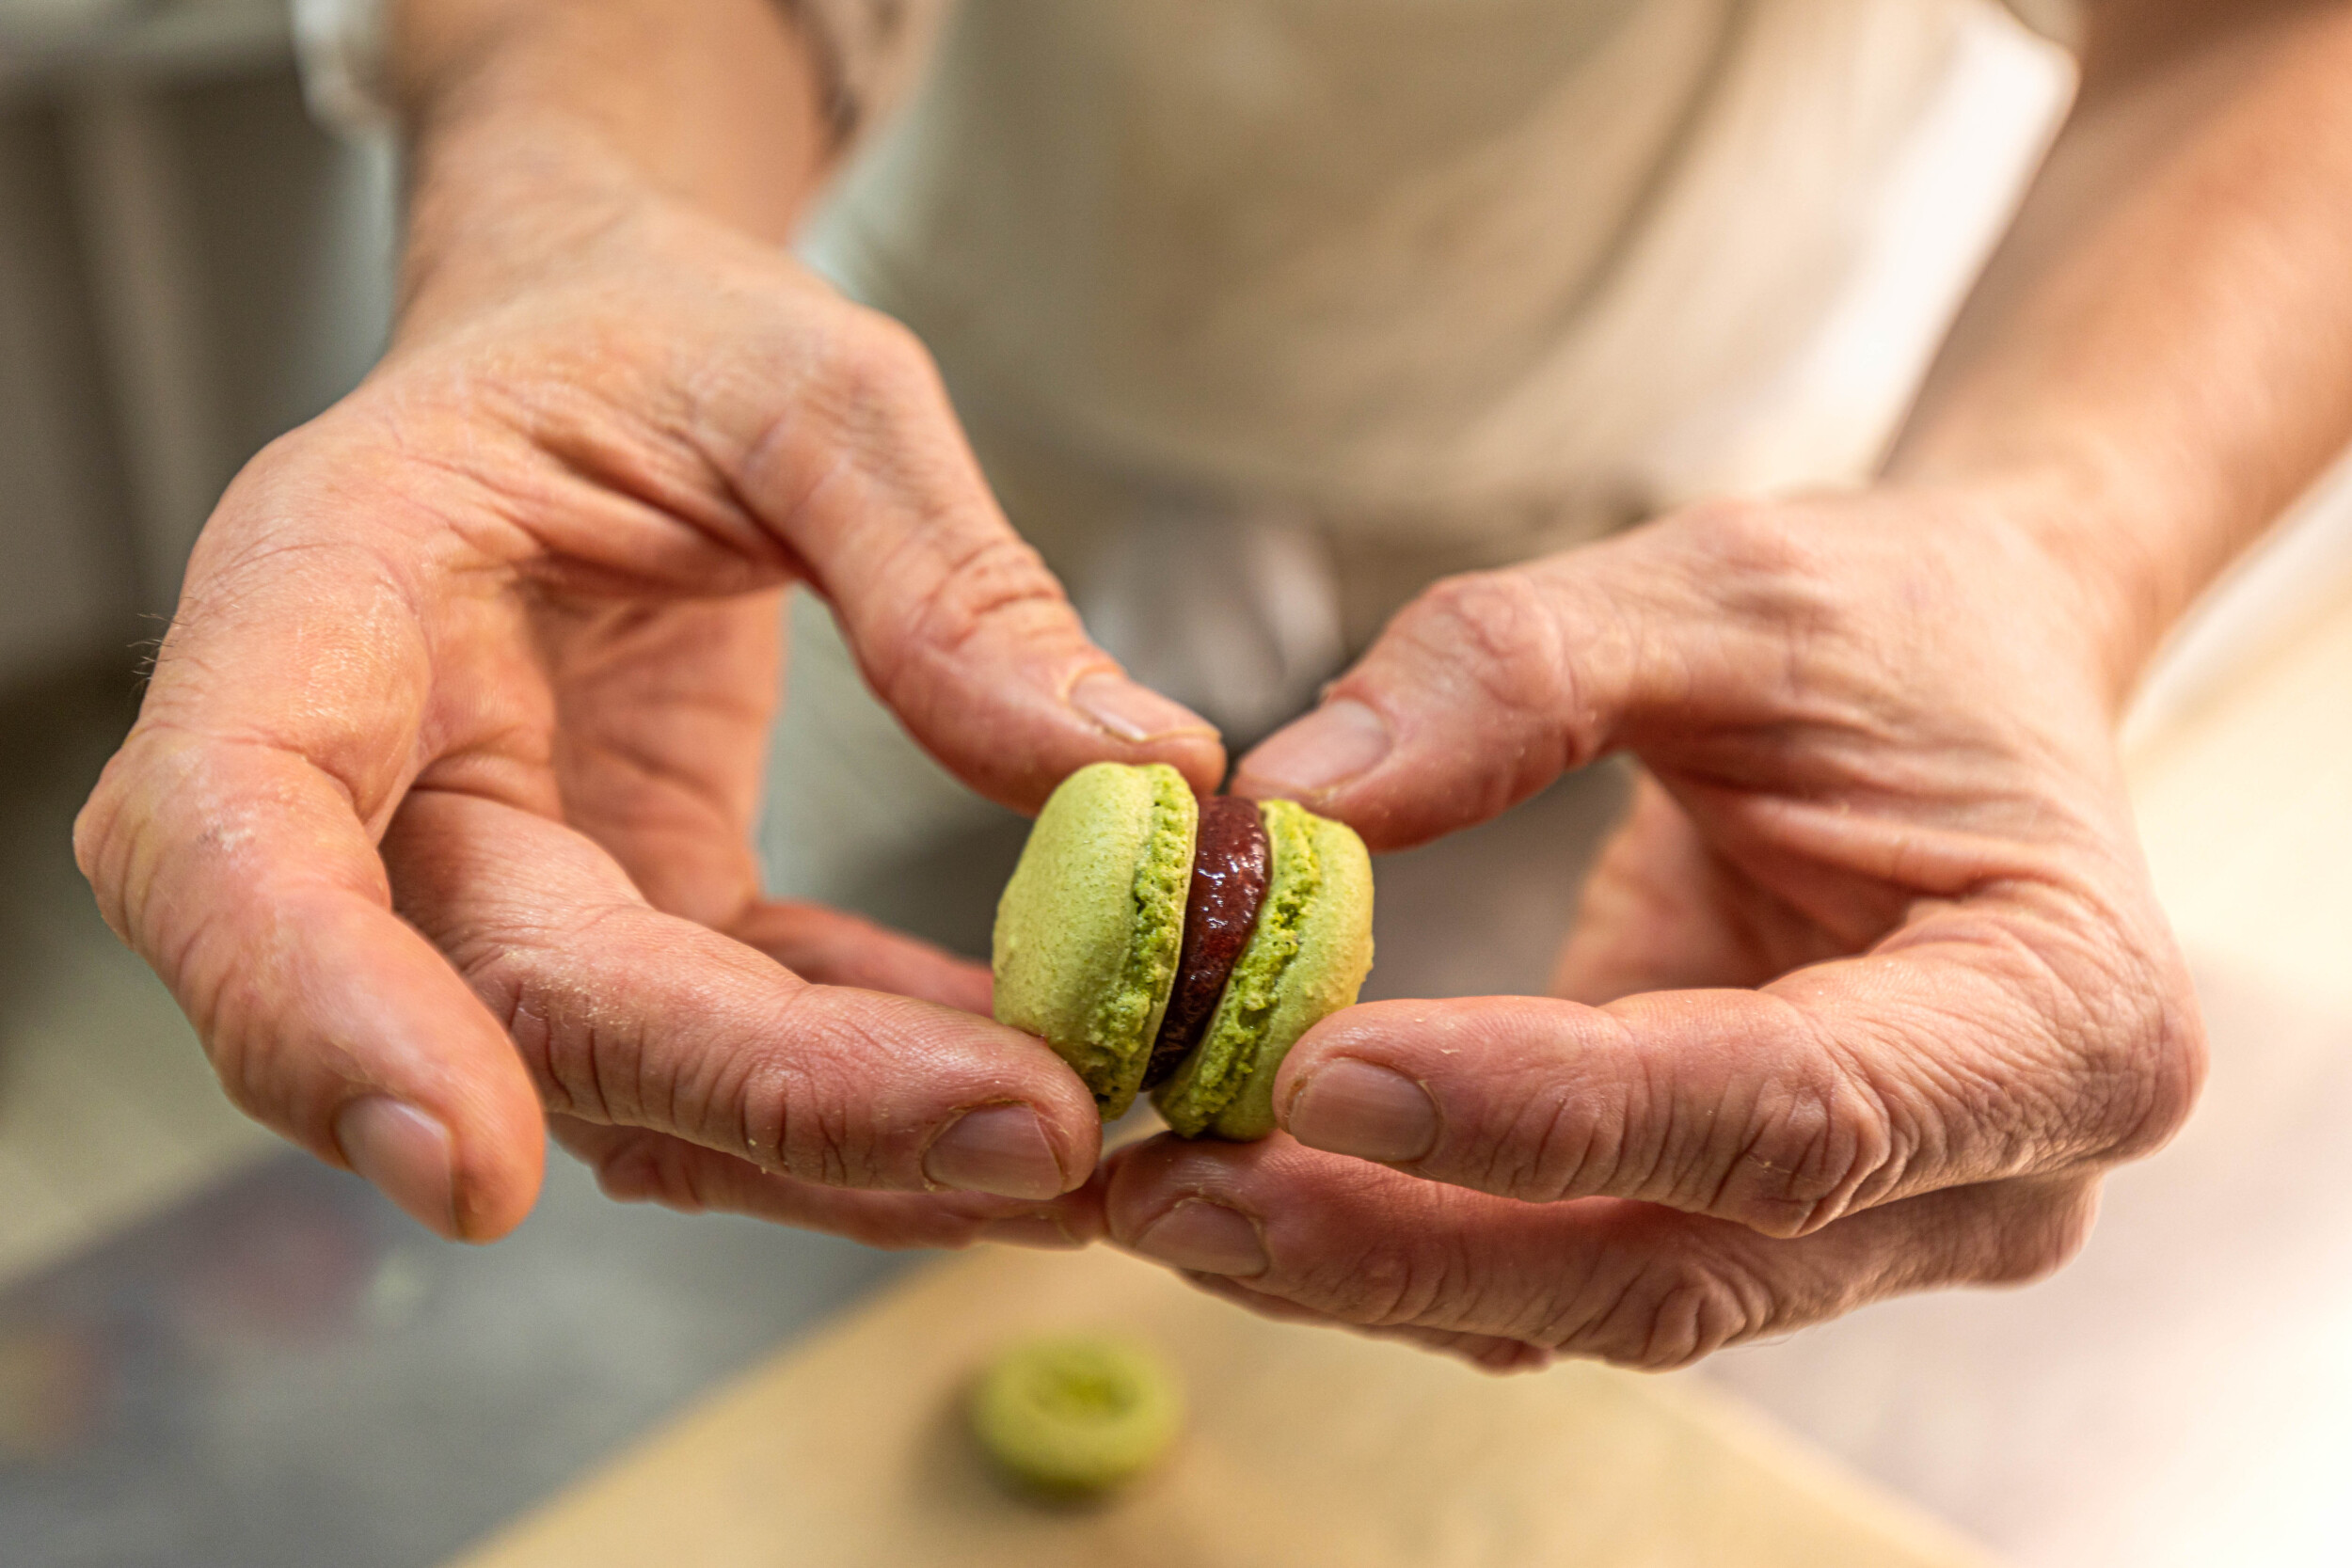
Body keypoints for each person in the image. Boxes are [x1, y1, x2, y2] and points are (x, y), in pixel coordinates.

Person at [77, 0, 2352, 1370]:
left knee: (1552, 1209)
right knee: (783, 1112)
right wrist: (566, 225)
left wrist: (2049, 539)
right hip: (842, 453)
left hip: (1691, 537)